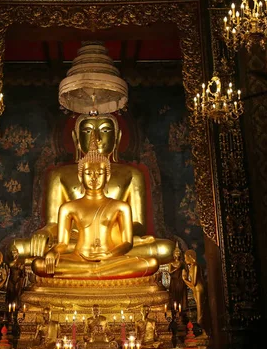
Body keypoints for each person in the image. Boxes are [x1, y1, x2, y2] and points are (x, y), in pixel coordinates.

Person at [13, 114, 173, 266]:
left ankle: (94, 265)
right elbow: (54, 223)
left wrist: (113, 235)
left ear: (117, 137)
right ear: (76, 138)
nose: (95, 137)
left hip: (115, 242)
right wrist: (46, 232)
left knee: (166, 249)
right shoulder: (59, 175)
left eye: (105, 130)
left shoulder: (131, 174)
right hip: (73, 243)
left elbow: (138, 224)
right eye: (88, 130)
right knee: (18, 249)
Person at [31, 136, 160, 279]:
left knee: (151, 262)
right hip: (79, 258)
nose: (94, 178)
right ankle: (97, 273)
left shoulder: (121, 207)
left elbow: (128, 243)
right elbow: (62, 243)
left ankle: (92, 273)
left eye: (99, 173)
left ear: (108, 176)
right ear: (80, 177)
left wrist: (109, 255)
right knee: (38, 265)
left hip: (110, 259)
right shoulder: (68, 208)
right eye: (88, 173)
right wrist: (53, 252)